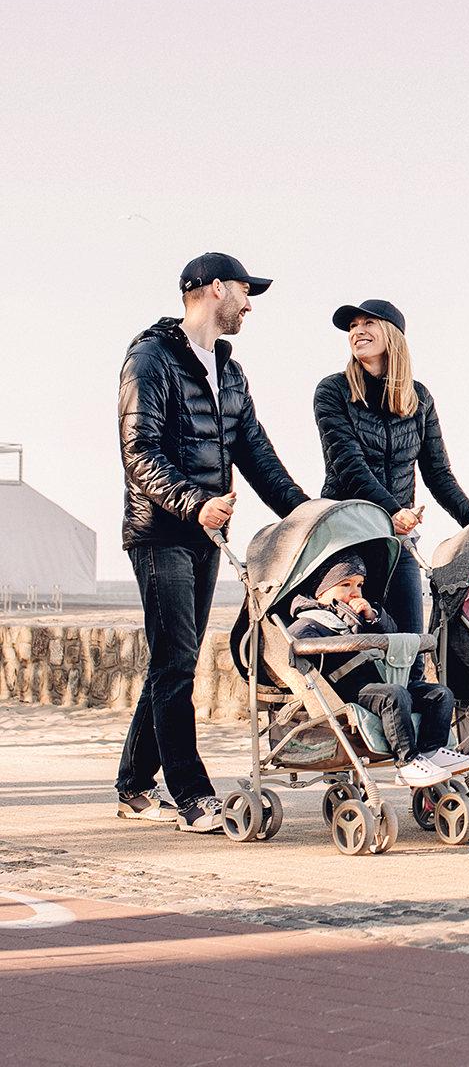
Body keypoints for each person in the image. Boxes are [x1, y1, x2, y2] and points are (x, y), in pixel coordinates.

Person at [117, 253, 310, 832]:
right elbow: (139, 452)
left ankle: (132, 785)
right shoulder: (149, 359)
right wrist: (195, 503)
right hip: (160, 533)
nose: (249, 305)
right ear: (215, 289)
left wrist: (308, 515)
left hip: (205, 534)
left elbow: (256, 453)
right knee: (176, 663)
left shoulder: (228, 370)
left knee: (171, 662)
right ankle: (192, 794)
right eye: (245, 293)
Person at [313, 299, 469, 639]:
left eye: (368, 323)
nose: (357, 331)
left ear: (392, 335)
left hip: (398, 537)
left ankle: (412, 693)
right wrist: (392, 509)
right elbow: (348, 465)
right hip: (346, 536)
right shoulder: (333, 391)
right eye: (352, 326)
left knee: (412, 642)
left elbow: (438, 473)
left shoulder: (419, 398)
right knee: (359, 641)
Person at [285, 555, 469, 787]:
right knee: (394, 696)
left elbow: (391, 633)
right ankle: (406, 760)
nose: (354, 592)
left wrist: (371, 617)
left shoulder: (357, 618)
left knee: (439, 694)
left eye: (359, 585)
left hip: (380, 680)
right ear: (320, 592)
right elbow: (299, 649)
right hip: (348, 690)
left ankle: (432, 750)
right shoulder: (309, 623)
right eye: (345, 585)